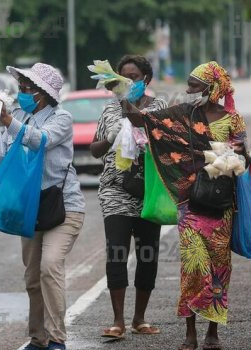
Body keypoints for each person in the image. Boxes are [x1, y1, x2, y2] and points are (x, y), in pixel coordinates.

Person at [123, 61, 249, 350]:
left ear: (211, 88)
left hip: (221, 205)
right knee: (193, 266)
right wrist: (124, 96)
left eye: (194, 86)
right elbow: (144, 121)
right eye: (189, 84)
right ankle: (190, 332)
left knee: (219, 267)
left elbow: (243, 160)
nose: (189, 90)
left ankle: (212, 332)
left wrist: (226, 155)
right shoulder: (182, 115)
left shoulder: (233, 120)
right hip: (189, 205)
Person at [0, 62, 86, 350]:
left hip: (64, 207)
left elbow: (40, 141)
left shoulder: (62, 118)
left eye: (27, 88)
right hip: (32, 207)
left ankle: (57, 338)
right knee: (32, 277)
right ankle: (38, 338)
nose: (21, 93)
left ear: (43, 94)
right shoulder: (20, 114)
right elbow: (0, 155)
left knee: (49, 267)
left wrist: (10, 123)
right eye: (20, 87)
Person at [89, 55, 167, 339]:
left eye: (133, 77)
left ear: (146, 79)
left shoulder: (159, 107)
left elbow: (165, 142)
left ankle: (139, 318)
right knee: (116, 253)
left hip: (149, 192)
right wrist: (109, 137)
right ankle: (118, 321)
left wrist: (130, 110)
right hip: (115, 189)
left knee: (148, 254)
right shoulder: (109, 108)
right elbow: (95, 150)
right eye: (123, 77)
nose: (128, 81)